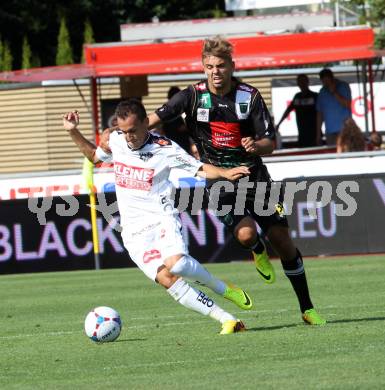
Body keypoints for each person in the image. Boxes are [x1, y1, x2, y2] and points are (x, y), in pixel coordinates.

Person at [101, 36, 326, 325]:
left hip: (253, 176)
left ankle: (307, 308)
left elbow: (272, 140)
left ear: (231, 66)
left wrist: (257, 147)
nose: (215, 72)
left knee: (282, 241)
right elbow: (152, 119)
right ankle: (256, 248)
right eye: (209, 66)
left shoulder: (250, 96)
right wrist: (115, 135)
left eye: (220, 66)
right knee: (246, 235)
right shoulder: (191, 96)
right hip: (218, 181)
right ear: (203, 67)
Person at [63, 100, 253, 335]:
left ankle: (224, 288)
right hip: (133, 232)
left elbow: (198, 168)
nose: (129, 137)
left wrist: (224, 173)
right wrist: (73, 131)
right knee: (167, 279)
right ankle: (228, 320)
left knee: (179, 264)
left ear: (145, 123)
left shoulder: (165, 148)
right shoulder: (116, 140)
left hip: (162, 217)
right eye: (124, 131)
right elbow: (94, 156)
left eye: (133, 130)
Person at [276, 74, 318, 147]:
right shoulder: (297, 97)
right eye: (300, 82)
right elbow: (288, 110)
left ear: (308, 82)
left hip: (315, 133)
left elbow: (321, 113)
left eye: (304, 81)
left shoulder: (315, 96)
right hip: (302, 134)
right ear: (298, 83)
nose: (302, 84)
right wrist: (279, 124)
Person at [316, 68, 352, 146]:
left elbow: (347, 104)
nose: (326, 84)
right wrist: (318, 134)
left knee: (346, 152)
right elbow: (320, 114)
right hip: (330, 132)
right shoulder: (322, 92)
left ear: (332, 78)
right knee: (332, 154)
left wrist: (334, 92)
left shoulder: (343, 86)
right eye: (323, 82)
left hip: (344, 130)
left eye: (327, 81)